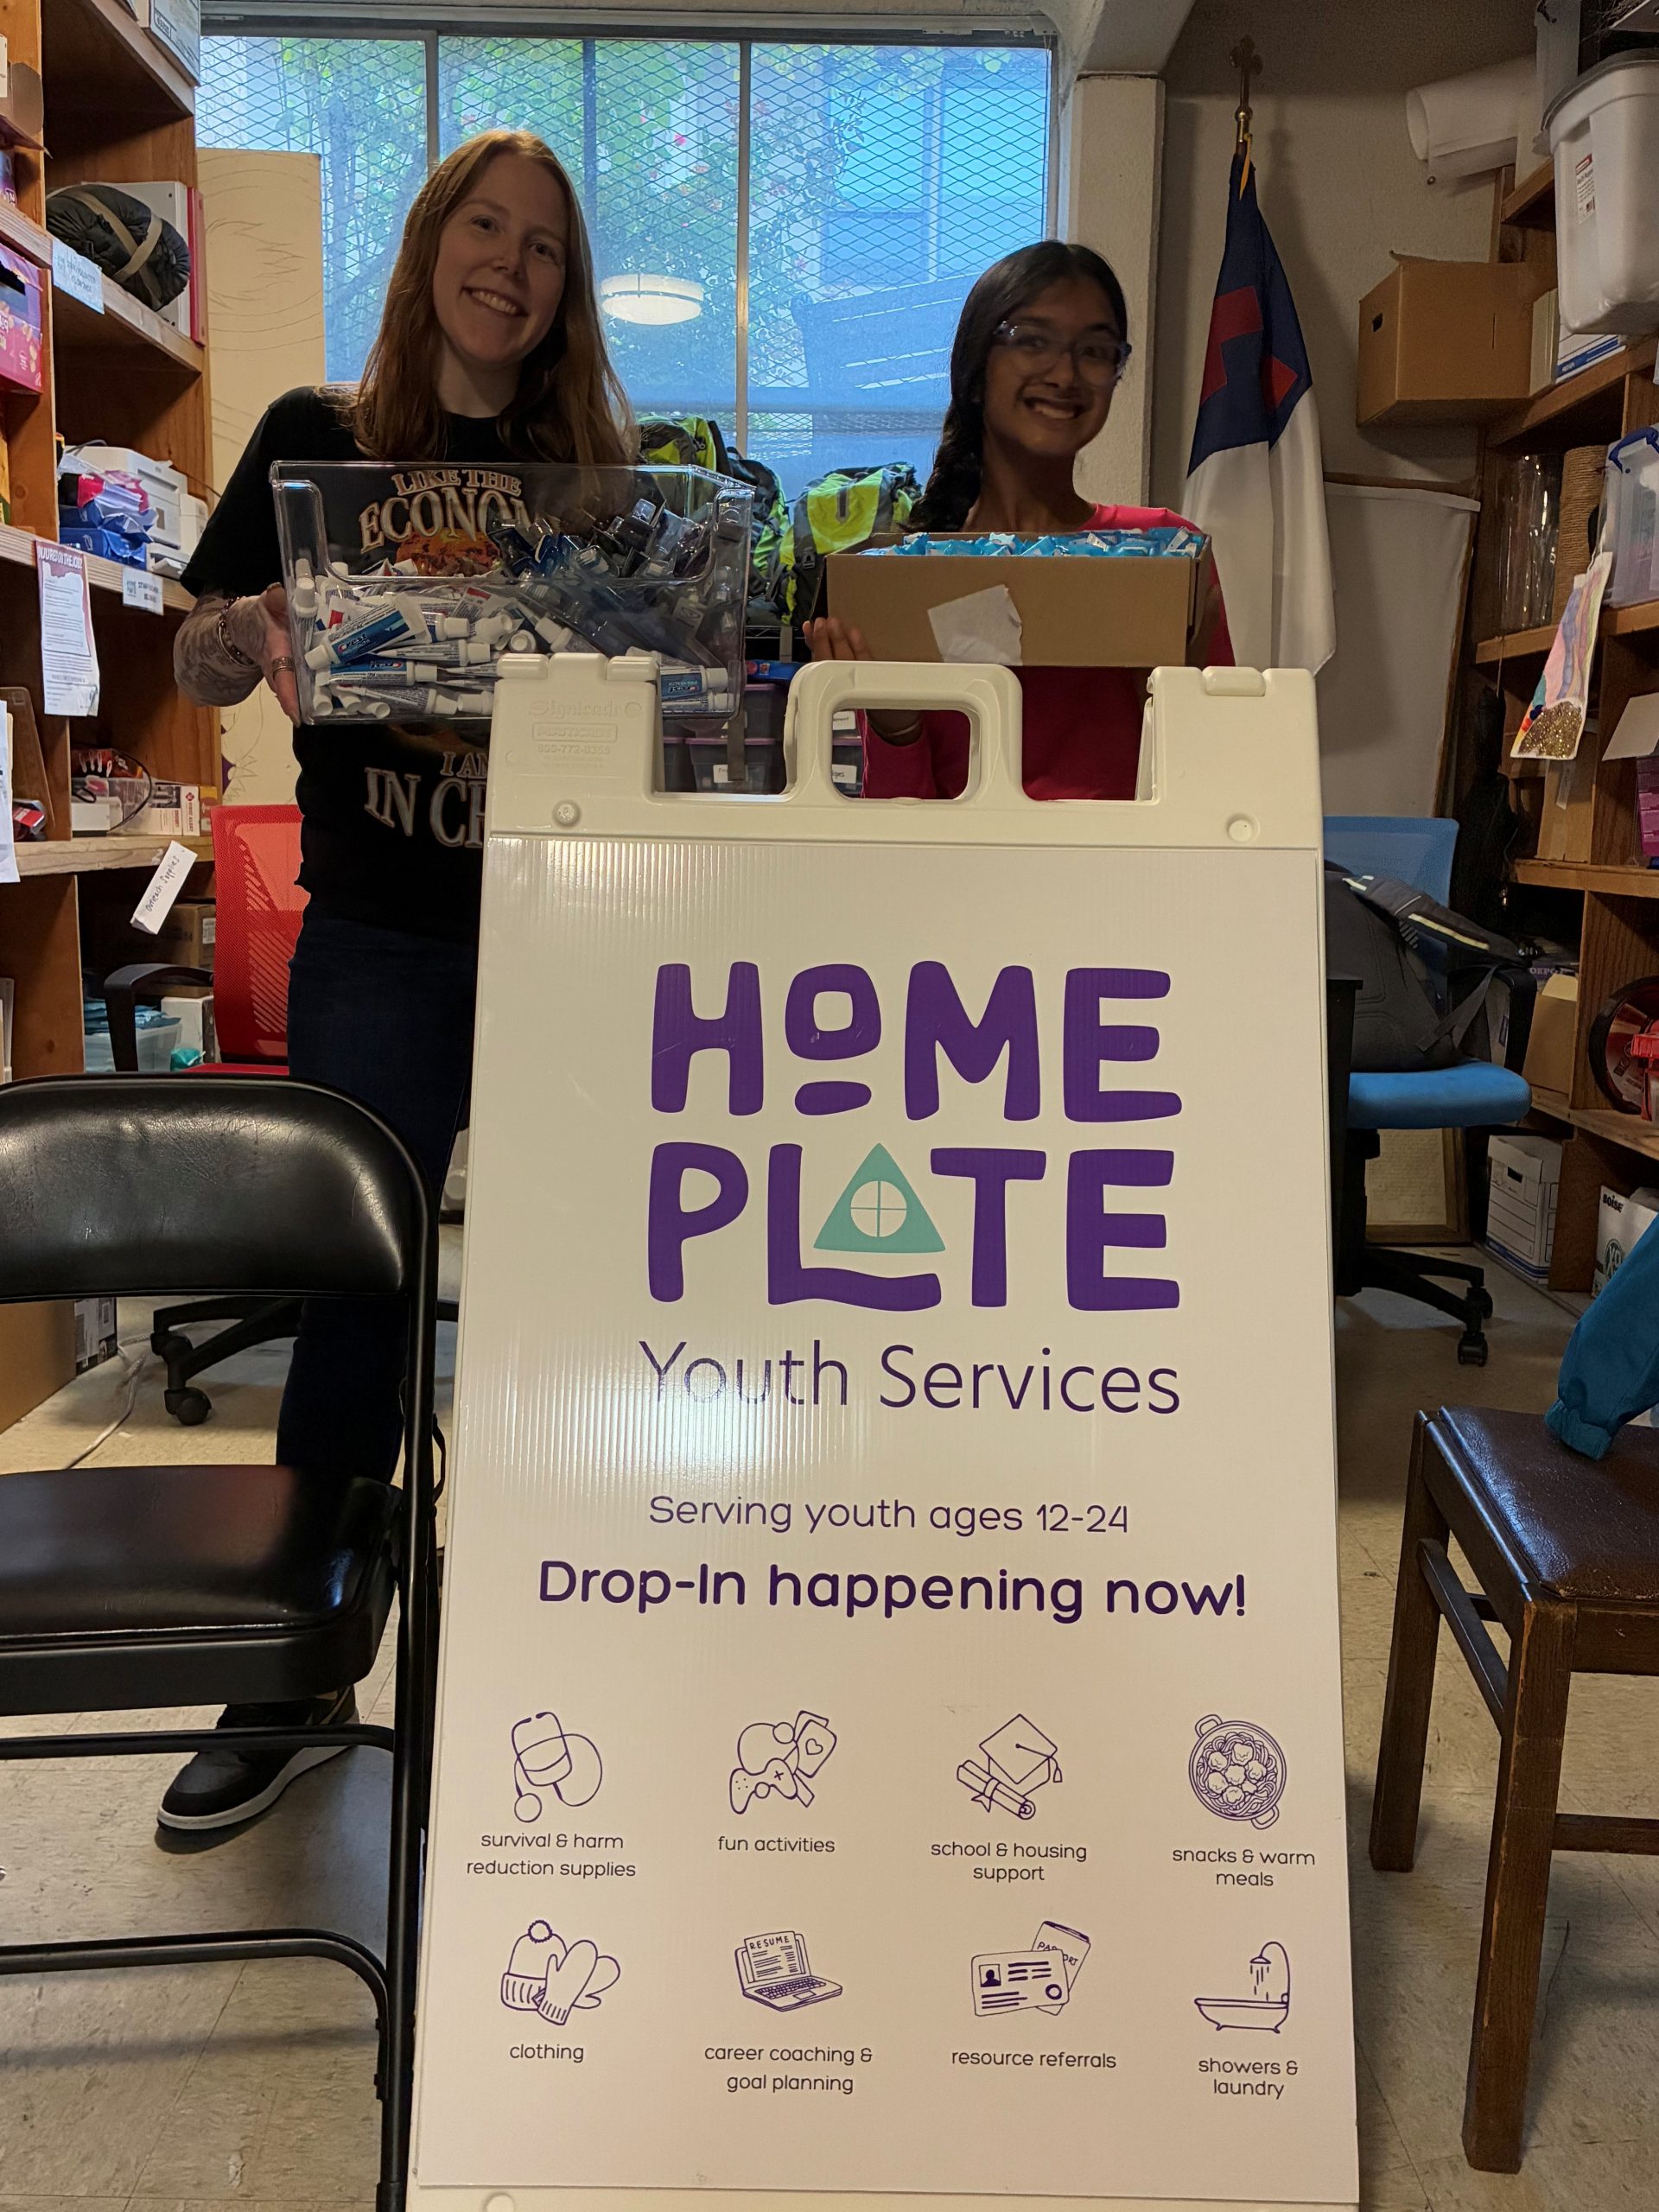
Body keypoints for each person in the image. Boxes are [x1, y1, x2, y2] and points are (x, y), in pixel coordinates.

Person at [168, 128, 633, 1834]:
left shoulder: (603, 482)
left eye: (546, 248)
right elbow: (200, 633)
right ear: (432, 240)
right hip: (379, 930)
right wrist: (224, 643)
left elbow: (659, 692)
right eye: (485, 228)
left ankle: (588, 1653)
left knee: (587, 1299)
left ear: (567, 293)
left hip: (572, 931)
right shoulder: (315, 443)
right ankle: (291, 1670)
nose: (511, 265)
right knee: (357, 1302)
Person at [804, 240, 1230, 798]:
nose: (1065, 373)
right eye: (1032, 341)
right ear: (978, 367)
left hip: (1131, 875)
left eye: (1096, 350)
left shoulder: (1167, 555)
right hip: (963, 879)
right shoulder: (904, 577)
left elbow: (1220, 778)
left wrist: (1173, 694)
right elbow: (904, 834)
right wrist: (894, 724)